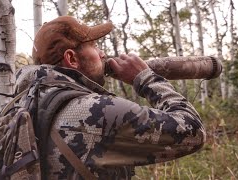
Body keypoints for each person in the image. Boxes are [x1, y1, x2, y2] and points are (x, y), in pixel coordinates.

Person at [16, 16, 206, 179]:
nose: (102, 53)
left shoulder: (17, 106)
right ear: (71, 58)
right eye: (94, 46)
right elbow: (194, 132)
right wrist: (145, 78)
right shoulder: (96, 111)